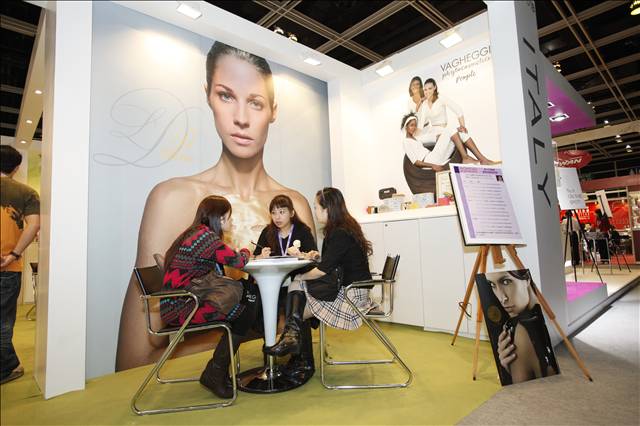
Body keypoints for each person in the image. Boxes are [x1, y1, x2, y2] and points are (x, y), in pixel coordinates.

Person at [116, 41, 314, 371]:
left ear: (273, 110)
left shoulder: (296, 204)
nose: (241, 119)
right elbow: (133, 363)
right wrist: (264, 332)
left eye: (255, 102)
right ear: (208, 95)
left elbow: (308, 301)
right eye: (226, 96)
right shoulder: (172, 199)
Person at [162, 195, 261, 398]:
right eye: (229, 217)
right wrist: (246, 250)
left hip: (183, 300)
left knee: (247, 301)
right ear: (220, 218)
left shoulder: (195, 233)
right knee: (244, 312)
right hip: (183, 307)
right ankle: (215, 373)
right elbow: (239, 262)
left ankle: (217, 372)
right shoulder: (205, 238)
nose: (231, 222)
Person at [265, 187, 374, 361]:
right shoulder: (342, 228)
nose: (315, 211)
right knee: (296, 299)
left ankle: (299, 356)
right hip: (343, 287)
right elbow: (331, 263)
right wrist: (311, 257)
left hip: (351, 294)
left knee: (296, 298)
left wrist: (301, 276)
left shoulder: (339, 233)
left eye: (316, 207)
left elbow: (323, 270)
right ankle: (297, 354)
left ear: (327, 209)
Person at [253, 194, 319, 383]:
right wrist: (261, 255)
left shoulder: (302, 231)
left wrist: (301, 255)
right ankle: (270, 358)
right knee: (265, 305)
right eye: (274, 213)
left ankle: (302, 360)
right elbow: (255, 256)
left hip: (298, 283)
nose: (277, 217)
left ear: (291, 213)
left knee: (295, 306)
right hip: (274, 285)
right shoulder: (268, 232)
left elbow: (313, 258)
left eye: (282, 212)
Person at [0, 145, 40, 385]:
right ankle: (7, 367)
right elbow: (34, 225)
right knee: (4, 321)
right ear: (16, 168)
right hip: (7, 266)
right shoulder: (26, 192)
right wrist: (14, 254)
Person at [488, 270, 559, 385]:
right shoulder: (536, 318)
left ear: (527, 279)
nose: (502, 298)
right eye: (492, 285)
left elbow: (525, 391)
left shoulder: (521, 331)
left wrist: (508, 373)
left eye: (506, 282)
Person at [416, 78, 496, 165]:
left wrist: (463, 126)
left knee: (463, 135)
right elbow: (420, 126)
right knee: (454, 131)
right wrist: (412, 138)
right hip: (434, 132)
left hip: (444, 129)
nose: (427, 91)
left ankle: (483, 159)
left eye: (430, 88)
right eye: (425, 90)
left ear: (435, 88)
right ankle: (469, 158)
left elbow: (458, 110)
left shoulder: (441, 98)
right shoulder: (424, 105)